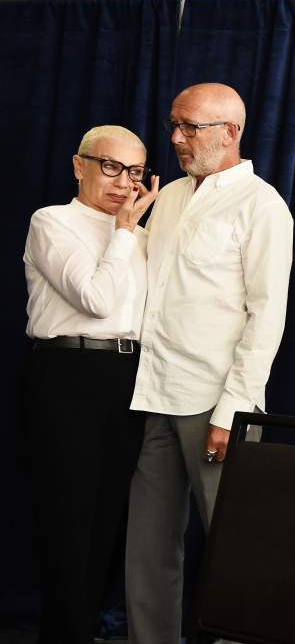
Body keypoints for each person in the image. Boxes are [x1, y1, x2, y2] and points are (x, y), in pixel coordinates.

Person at [125, 82, 293, 643]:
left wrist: (234, 410)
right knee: (147, 547)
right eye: (174, 124)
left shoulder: (262, 205)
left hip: (217, 406)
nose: (175, 137)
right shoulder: (168, 196)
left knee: (238, 547)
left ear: (231, 132)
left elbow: (266, 316)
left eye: (190, 126)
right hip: (155, 393)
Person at [22, 125, 158, 643]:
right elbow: (96, 299)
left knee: (111, 517)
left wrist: (131, 232)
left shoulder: (146, 236)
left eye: (137, 172)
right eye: (111, 167)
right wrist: (124, 231)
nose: (124, 183)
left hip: (129, 376)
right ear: (80, 165)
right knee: (67, 515)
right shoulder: (52, 222)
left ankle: (85, 628)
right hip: (67, 373)